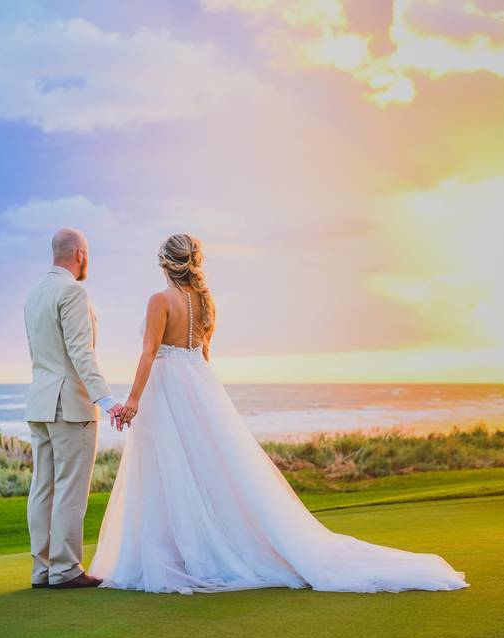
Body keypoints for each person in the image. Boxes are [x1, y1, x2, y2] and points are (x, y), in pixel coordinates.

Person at [89, 233, 469, 594]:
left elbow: (150, 352)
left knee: (168, 470)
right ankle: (195, 553)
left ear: (165, 264)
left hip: (169, 389)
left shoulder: (161, 299)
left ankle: (179, 558)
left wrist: (134, 399)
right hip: (198, 387)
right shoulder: (204, 300)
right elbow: (203, 355)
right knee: (204, 471)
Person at [23, 228, 124, 589]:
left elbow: (41, 354)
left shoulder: (35, 293)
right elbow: (82, 352)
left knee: (43, 487)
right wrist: (107, 400)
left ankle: (42, 570)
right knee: (69, 489)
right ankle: (65, 570)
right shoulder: (73, 291)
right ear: (80, 254)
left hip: (40, 404)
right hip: (70, 407)